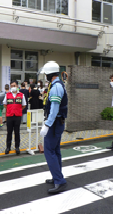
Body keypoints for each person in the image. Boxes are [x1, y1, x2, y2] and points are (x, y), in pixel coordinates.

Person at [40, 61, 68, 194]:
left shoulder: (56, 87)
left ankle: (59, 181)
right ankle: (56, 176)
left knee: (49, 151)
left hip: (55, 123)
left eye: (45, 74)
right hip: (58, 123)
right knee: (55, 151)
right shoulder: (57, 85)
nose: (45, 76)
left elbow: (54, 109)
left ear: (49, 74)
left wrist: (47, 125)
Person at [3, 81, 26, 155]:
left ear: (17, 86)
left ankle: (17, 147)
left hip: (17, 116)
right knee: (9, 132)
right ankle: (8, 147)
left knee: (17, 132)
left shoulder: (21, 95)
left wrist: (18, 110)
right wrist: (10, 109)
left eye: (14, 85)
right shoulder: (7, 95)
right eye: (11, 86)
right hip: (9, 116)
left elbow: (24, 105)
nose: (13, 87)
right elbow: (4, 104)